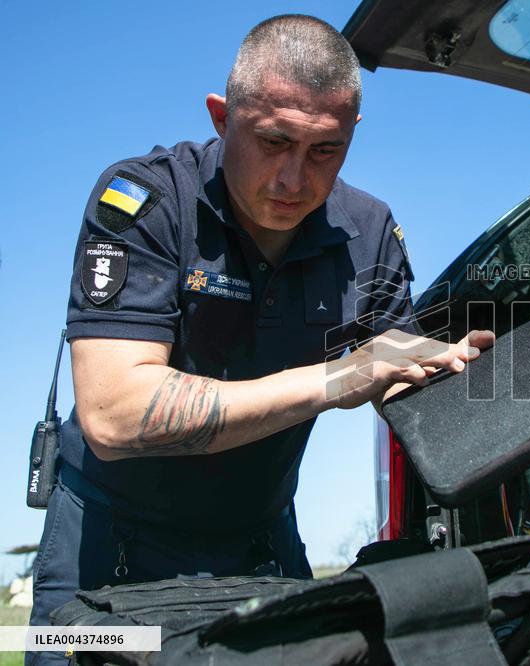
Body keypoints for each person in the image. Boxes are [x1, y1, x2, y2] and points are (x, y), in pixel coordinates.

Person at [28, 14, 493, 664]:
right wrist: (337, 379)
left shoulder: (370, 230)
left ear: (352, 134)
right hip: (107, 543)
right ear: (221, 117)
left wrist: (469, 381)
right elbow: (112, 412)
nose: (292, 180)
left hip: (261, 540)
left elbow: (393, 376)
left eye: (324, 151)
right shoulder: (145, 199)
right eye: (273, 141)